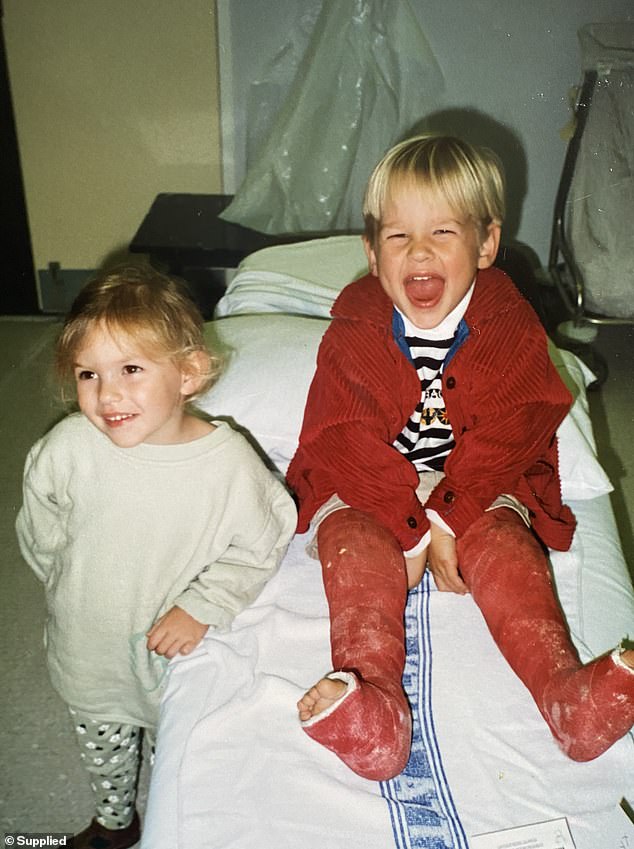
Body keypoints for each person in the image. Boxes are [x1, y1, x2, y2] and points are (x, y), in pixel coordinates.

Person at [286, 134, 634, 781]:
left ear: (485, 244)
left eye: (443, 231)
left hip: (472, 470)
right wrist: (408, 526)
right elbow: (343, 436)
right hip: (372, 477)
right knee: (355, 547)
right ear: (371, 252)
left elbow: (519, 421)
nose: (419, 252)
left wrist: (447, 514)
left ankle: (566, 694)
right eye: (398, 237)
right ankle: (376, 709)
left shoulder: (507, 318)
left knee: (503, 543)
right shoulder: (356, 323)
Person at [16, 264, 297, 849]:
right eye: (89, 373)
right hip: (88, 652)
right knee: (105, 748)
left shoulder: (228, 468)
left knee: (187, 755)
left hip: (180, 660)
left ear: (189, 373)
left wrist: (203, 604)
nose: (107, 393)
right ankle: (116, 825)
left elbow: (265, 539)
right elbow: (40, 528)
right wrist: (71, 583)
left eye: (132, 370)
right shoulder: (68, 448)